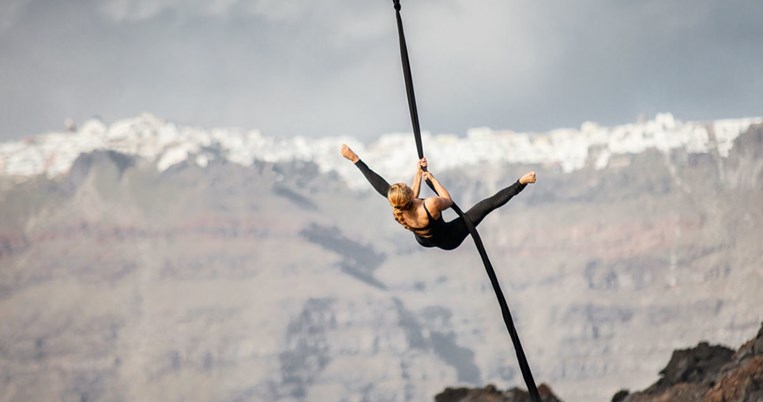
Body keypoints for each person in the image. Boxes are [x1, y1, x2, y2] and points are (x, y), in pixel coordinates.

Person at [340, 144, 536, 250]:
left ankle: (520, 183)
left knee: (394, 194)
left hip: (424, 240)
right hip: (449, 239)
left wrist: (355, 159)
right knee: (485, 207)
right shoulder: (431, 204)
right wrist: (432, 179)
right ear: (410, 195)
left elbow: (379, 184)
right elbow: (448, 201)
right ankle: (520, 183)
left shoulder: (398, 206)